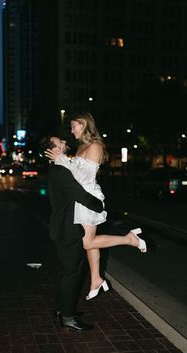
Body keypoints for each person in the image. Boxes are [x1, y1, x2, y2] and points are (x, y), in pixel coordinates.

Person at [45, 112, 147, 301]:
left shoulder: (95, 146)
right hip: (81, 198)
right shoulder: (81, 146)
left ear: (84, 125)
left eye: (74, 125)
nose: (71, 130)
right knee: (90, 241)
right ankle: (96, 279)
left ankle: (130, 239)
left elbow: (83, 178)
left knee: (87, 242)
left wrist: (62, 160)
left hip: (89, 197)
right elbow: (73, 176)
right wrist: (63, 160)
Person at [40, 135, 104, 331]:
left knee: (66, 272)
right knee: (72, 273)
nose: (64, 142)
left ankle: (62, 309)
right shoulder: (60, 171)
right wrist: (99, 205)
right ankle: (68, 317)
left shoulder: (57, 169)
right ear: (53, 150)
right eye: (60, 142)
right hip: (67, 231)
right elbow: (80, 194)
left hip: (61, 228)